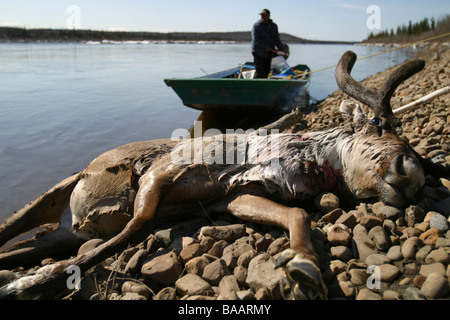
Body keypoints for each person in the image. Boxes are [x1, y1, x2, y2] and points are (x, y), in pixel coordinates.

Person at [251, 9, 288, 78]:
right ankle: (257, 85)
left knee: (267, 71)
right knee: (260, 71)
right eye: (262, 15)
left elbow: (276, 39)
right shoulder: (256, 26)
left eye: (265, 15)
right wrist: (266, 46)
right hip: (258, 52)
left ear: (269, 16)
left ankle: (265, 85)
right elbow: (256, 39)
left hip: (269, 52)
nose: (263, 17)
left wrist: (282, 49)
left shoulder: (274, 26)